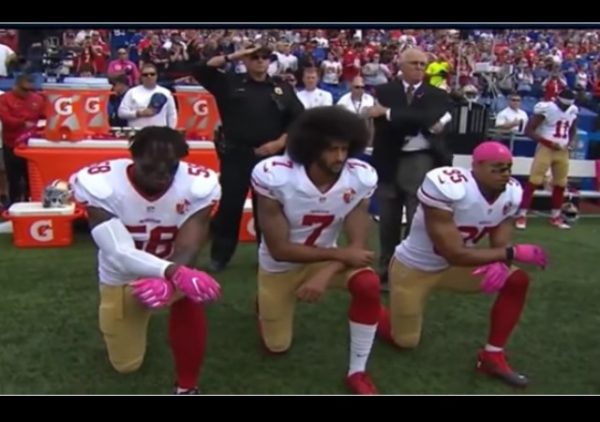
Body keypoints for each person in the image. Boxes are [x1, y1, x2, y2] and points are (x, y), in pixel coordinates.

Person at [376, 141, 548, 388]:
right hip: (415, 269)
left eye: (508, 168)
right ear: (475, 166)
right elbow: (454, 254)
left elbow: (500, 237)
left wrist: (503, 261)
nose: (505, 174)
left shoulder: (510, 192)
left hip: (456, 269)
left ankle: (492, 355)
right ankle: (371, 306)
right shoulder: (447, 186)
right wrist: (512, 252)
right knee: (405, 341)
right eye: (497, 168)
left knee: (517, 279)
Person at [69, 126, 222, 394]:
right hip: (124, 277)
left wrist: (171, 280)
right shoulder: (103, 184)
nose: (161, 174)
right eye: (151, 166)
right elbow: (119, 252)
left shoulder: (197, 184)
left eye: (170, 167)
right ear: (134, 158)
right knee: (126, 365)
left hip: (173, 266)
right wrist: (170, 271)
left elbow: (189, 245)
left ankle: (187, 385)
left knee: (190, 295)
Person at [251, 107, 382, 394]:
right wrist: (339, 256)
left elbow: (357, 247)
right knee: (276, 346)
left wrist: (325, 273)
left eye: (345, 148)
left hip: (325, 259)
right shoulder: (277, 176)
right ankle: (263, 304)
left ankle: (357, 370)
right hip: (280, 267)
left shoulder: (359, 177)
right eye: (332, 149)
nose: (340, 157)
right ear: (311, 147)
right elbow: (280, 249)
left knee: (368, 284)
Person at [192, 44, 304, 273]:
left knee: (268, 208)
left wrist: (280, 143)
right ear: (245, 60)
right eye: (254, 57)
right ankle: (220, 257)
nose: (260, 61)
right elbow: (200, 69)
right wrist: (233, 56)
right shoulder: (230, 82)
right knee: (230, 207)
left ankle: (269, 256)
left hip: (270, 158)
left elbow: (299, 120)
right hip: (237, 155)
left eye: (265, 57)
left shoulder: (281, 88)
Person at [366, 47, 453, 288]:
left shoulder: (436, 94)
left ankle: (409, 268)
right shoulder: (385, 90)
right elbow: (416, 121)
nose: (419, 68)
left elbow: (428, 119)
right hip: (388, 159)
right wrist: (412, 119)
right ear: (401, 66)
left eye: (422, 64)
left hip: (420, 159)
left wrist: (390, 113)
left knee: (416, 218)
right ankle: (386, 268)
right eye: (414, 63)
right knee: (388, 219)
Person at [515, 89, 579, 230]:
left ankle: (555, 216)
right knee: (534, 182)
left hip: (562, 151)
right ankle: (522, 215)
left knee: (561, 184)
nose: (565, 108)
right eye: (564, 105)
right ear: (558, 100)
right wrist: (547, 142)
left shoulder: (573, 110)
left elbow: (573, 128)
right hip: (546, 149)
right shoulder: (548, 108)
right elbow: (529, 130)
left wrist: (570, 142)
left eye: (568, 105)